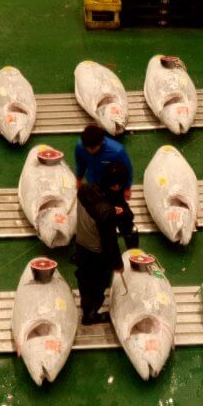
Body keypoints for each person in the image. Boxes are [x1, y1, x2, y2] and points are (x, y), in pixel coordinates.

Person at [74, 164, 139, 325]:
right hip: (96, 251)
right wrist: (118, 264)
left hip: (81, 243)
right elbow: (109, 242)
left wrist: (117, 211)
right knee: (98, 283)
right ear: (116, 185)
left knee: (85, 279)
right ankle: (90, 315)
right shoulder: (107, 213)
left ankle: (87, 306)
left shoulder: (85, 190)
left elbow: (103, 209)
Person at [75, 124, 134, 201]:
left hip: (113, 186)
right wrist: (79, 179)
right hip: (93, 183)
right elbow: (80, 164)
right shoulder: (80, 146)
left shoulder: (117, 151)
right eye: (86, 148)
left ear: (101, 143)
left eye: (92, 149)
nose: (89, 151)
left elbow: (127, 170)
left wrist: (127, 188)